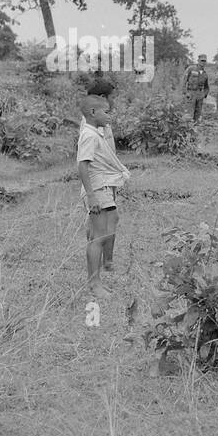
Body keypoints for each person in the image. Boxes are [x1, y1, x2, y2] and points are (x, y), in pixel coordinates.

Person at [76, 95, 130, 299]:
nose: (109, 116)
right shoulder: (89, 136)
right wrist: (91, 196)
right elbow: (82, 165)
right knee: (98, 237)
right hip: (97, 189)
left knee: (107, 228)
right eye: (105, 112)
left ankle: (99, 277)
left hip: (103, 187)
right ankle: (94, 285)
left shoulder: (95, 133)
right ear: (92, 113)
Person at [182, 55, 209, 123]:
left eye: (204, 61)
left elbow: (206, 86)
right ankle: (186, 128)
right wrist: (185, 92)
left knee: (198, 113)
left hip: (199, 94)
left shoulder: (205, 73)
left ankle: (194, 127)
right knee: (188, 112)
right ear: (198, 61)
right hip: (191, 92)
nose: (203, 62)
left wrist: (204, 94)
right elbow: (184, 80)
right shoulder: (191, 68)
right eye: (202, 60)